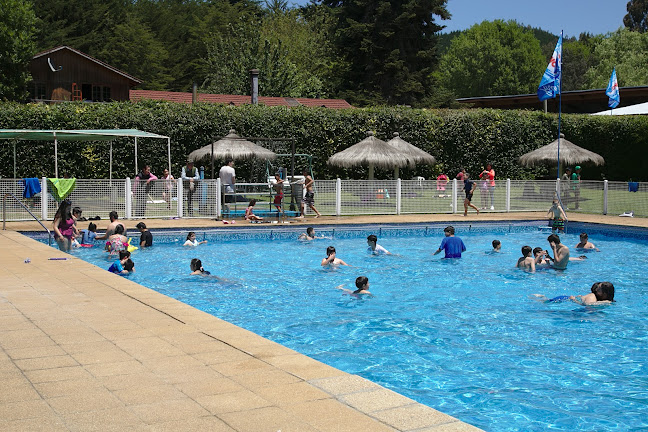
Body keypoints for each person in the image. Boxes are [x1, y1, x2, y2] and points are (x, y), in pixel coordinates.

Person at [535, 282, 615, 305]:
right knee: (544, 302)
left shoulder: (598, 299)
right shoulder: (592, 296)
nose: (596, 289)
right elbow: (587, 305)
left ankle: (542, 297)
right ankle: (541, 297)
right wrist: (574, 301)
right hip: (564, 299)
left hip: (567, 299)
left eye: (599, 289)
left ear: (604, 293)